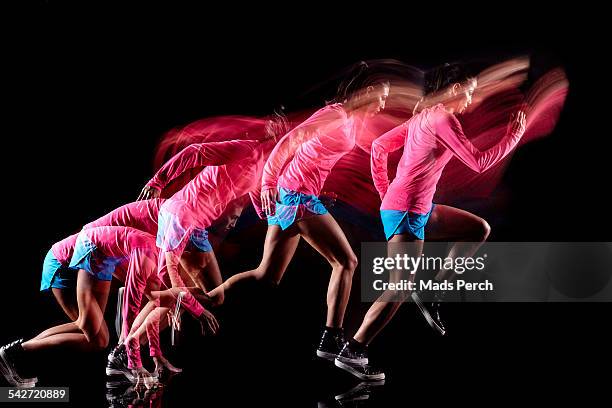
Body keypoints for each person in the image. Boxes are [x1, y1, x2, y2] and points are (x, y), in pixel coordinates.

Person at [334, 62, 526, 381]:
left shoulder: (426, 115)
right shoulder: (441, 117)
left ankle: (434, 289)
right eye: (468, 92)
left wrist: (386, 194)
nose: (470, 99)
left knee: (477, 228)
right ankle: (354, 349)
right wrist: (513, 136)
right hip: (407, 210)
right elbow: (478, 163)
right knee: (400, 286)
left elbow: (380, 147)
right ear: (454, 90)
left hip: (414, 207)